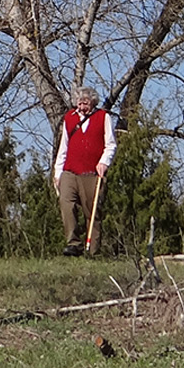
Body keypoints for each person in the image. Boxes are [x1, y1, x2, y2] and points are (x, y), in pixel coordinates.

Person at [53, 85, 116, 256]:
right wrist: (58, 173)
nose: (82, 107)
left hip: (92, 173)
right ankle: (73, 243)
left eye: (85, 103)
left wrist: (104, 162)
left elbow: (110, 145)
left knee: (93, 211)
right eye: (79, 103)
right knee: (66, 204)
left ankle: (92, 250)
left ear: (93, 102)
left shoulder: (103, 117)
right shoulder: (69, 118)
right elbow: (63, 147)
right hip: (70, 171)